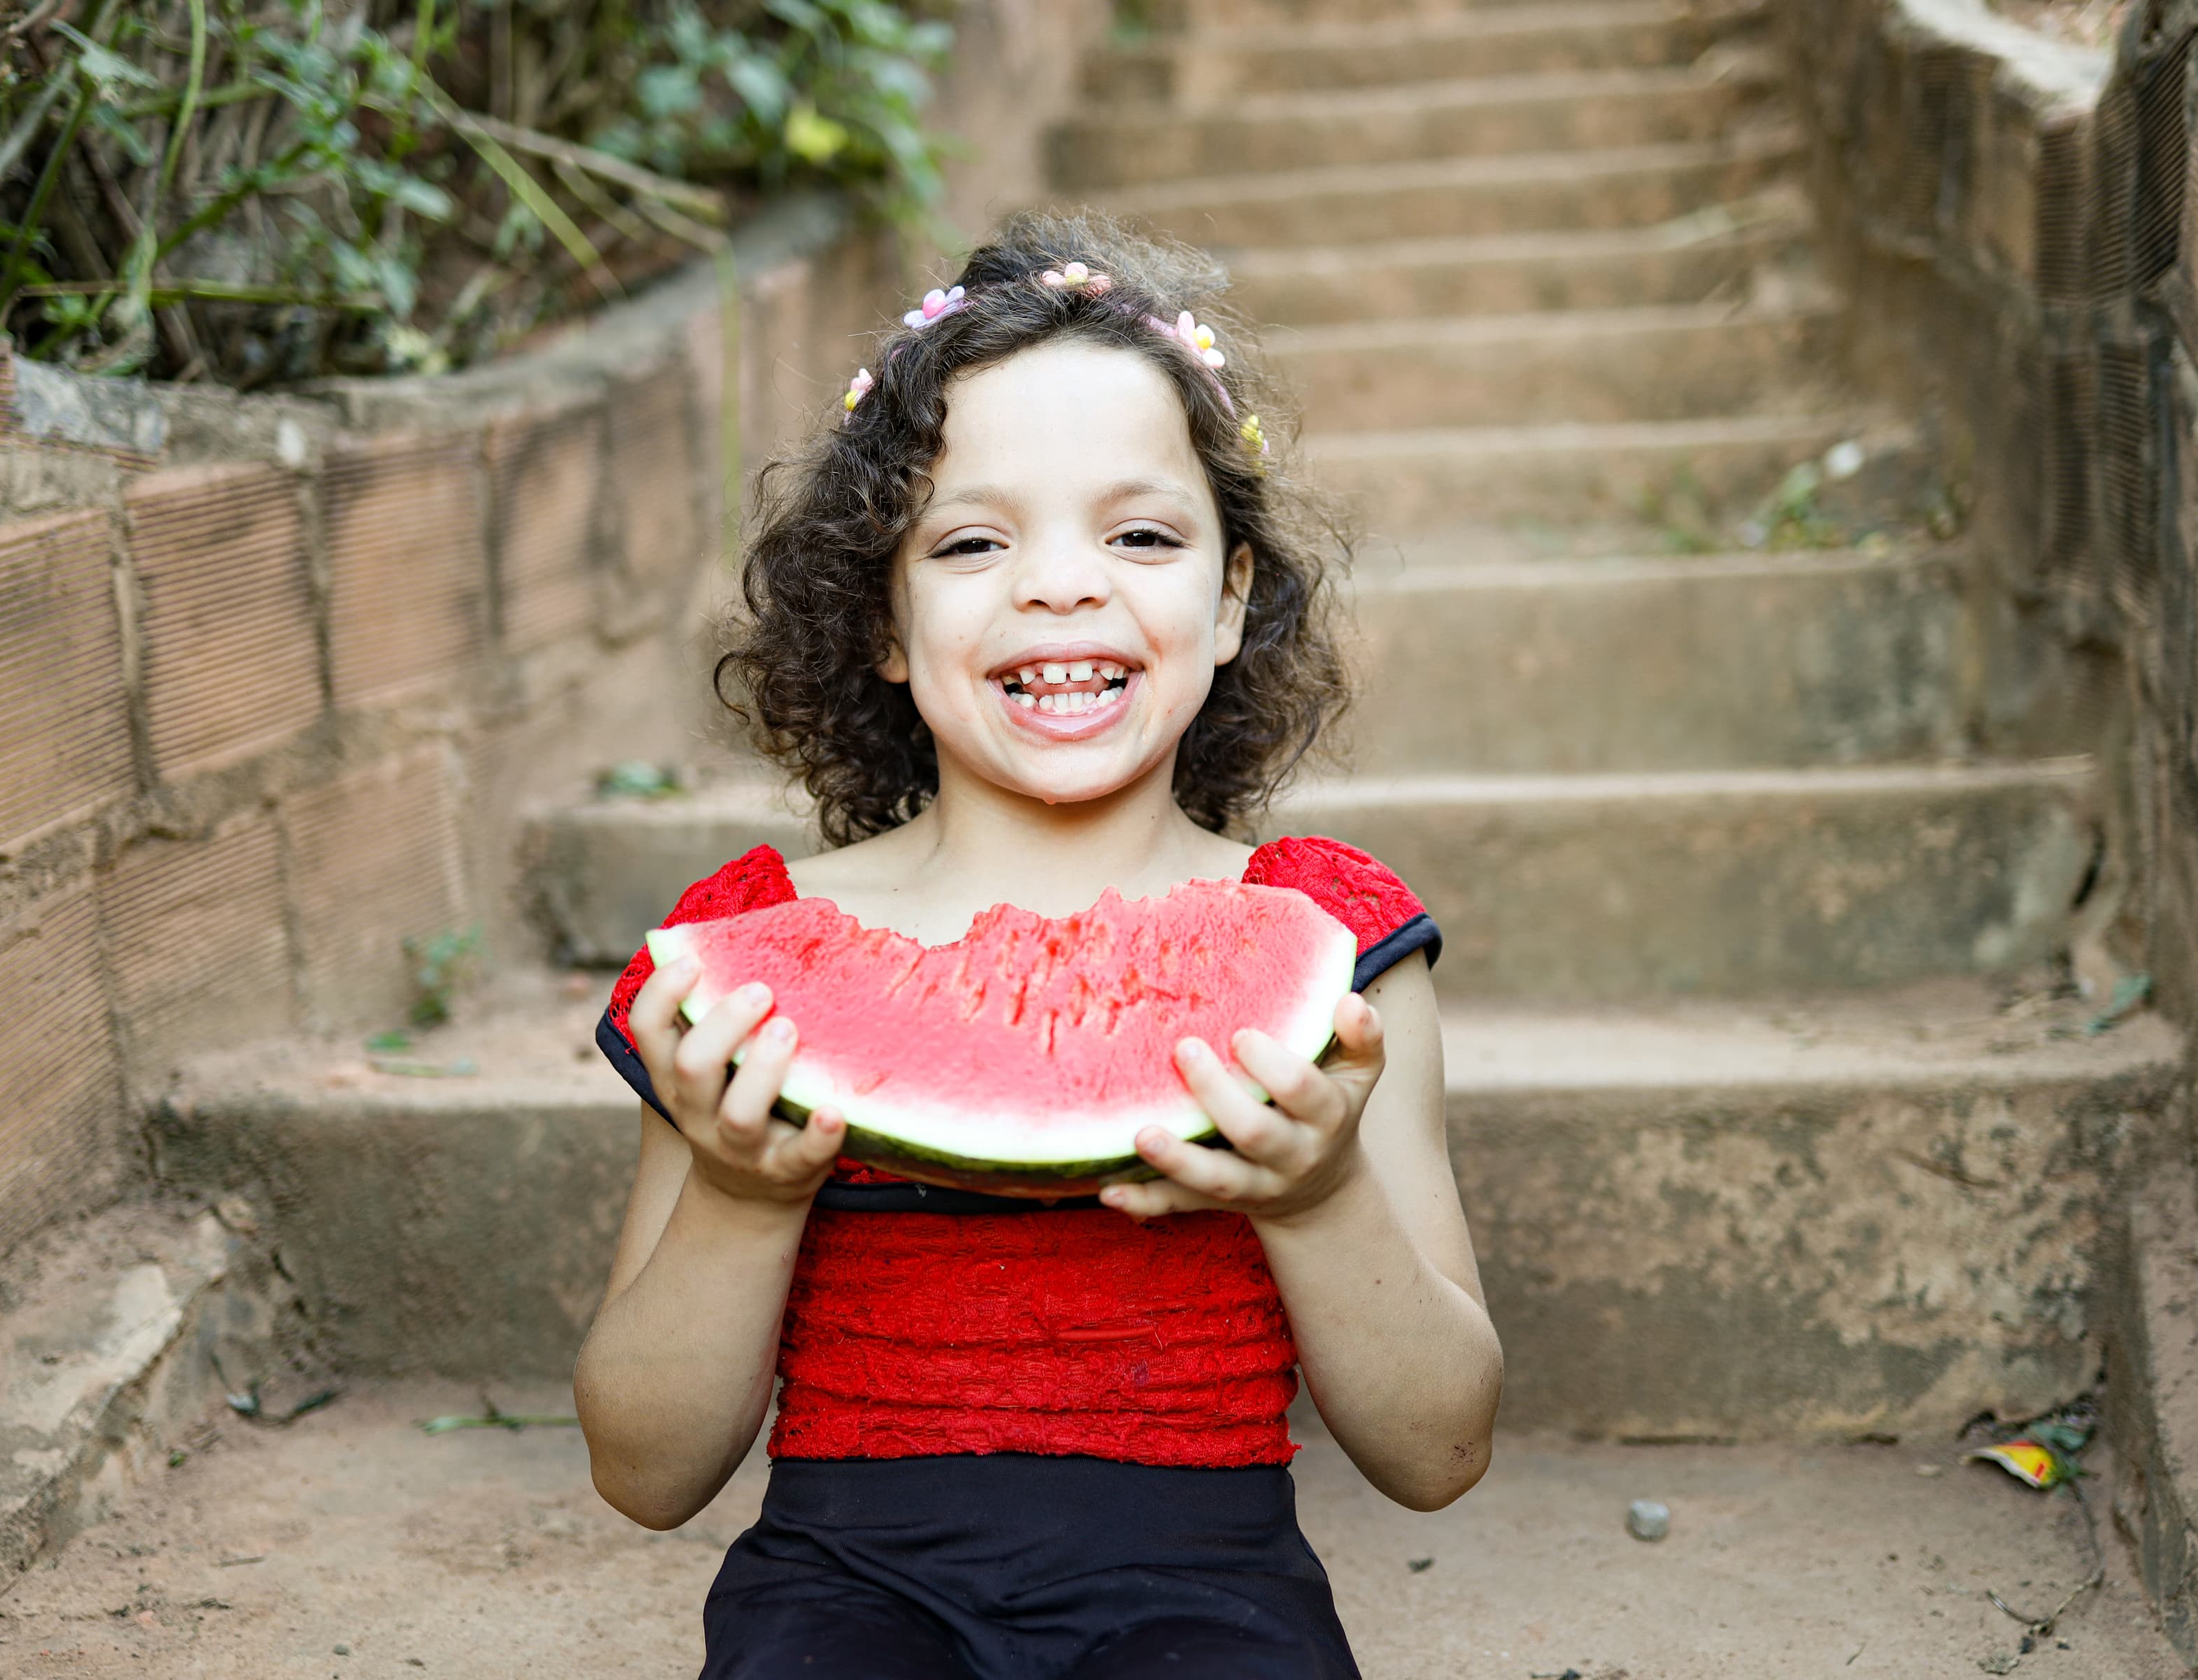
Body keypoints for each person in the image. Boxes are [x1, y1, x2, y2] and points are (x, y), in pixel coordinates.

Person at [574, 208, 1503, 1680]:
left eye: (1138, 533)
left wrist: (1319, 1198)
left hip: (1212, 1580)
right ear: (882, 620)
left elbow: (1440, 1445)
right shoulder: (749, 948)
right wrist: (743, 1201)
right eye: (972, 540)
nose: (1062, 584)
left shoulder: (1335, 939)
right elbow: (646, 1467)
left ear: (1230, 600)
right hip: (840, 1579)